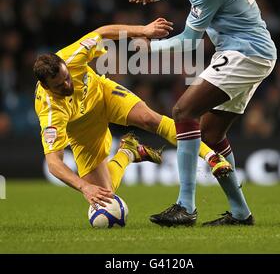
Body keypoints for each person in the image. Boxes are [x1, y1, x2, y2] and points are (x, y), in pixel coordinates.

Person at [130, 0, 277, 227]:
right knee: (211, 135)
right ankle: (240, 213)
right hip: (243, 51)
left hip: (246, 52)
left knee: (183, 110)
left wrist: (150, 48)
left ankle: (185, 207)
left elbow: (188, 42)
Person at [34, 18, 231, 211]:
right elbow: (53, 163)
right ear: (46, 86)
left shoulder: (72, 56)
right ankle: (129, 151)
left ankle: (212, 157)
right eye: (60, 86)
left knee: (149, 119)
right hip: (83, 129)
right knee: (105, 194)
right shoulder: (50, 111)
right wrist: (85, 187)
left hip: (103, 95)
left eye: (67, 78)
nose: (67, 85)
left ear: (65, 66)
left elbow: (102, 32)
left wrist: (143, 30)